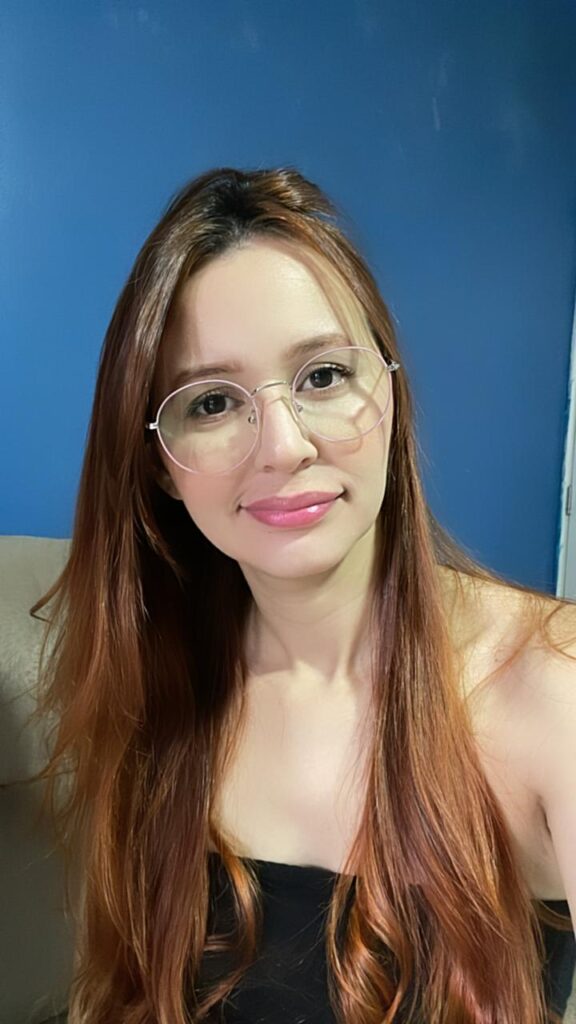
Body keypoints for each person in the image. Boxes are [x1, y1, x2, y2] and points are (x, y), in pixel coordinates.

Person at [32, 166, 575, 1024]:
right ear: (158, 465)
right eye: (213, 402)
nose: (283, 446)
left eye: (322, 376)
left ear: (390, 391)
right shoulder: (151, 683)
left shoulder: (553, 687)